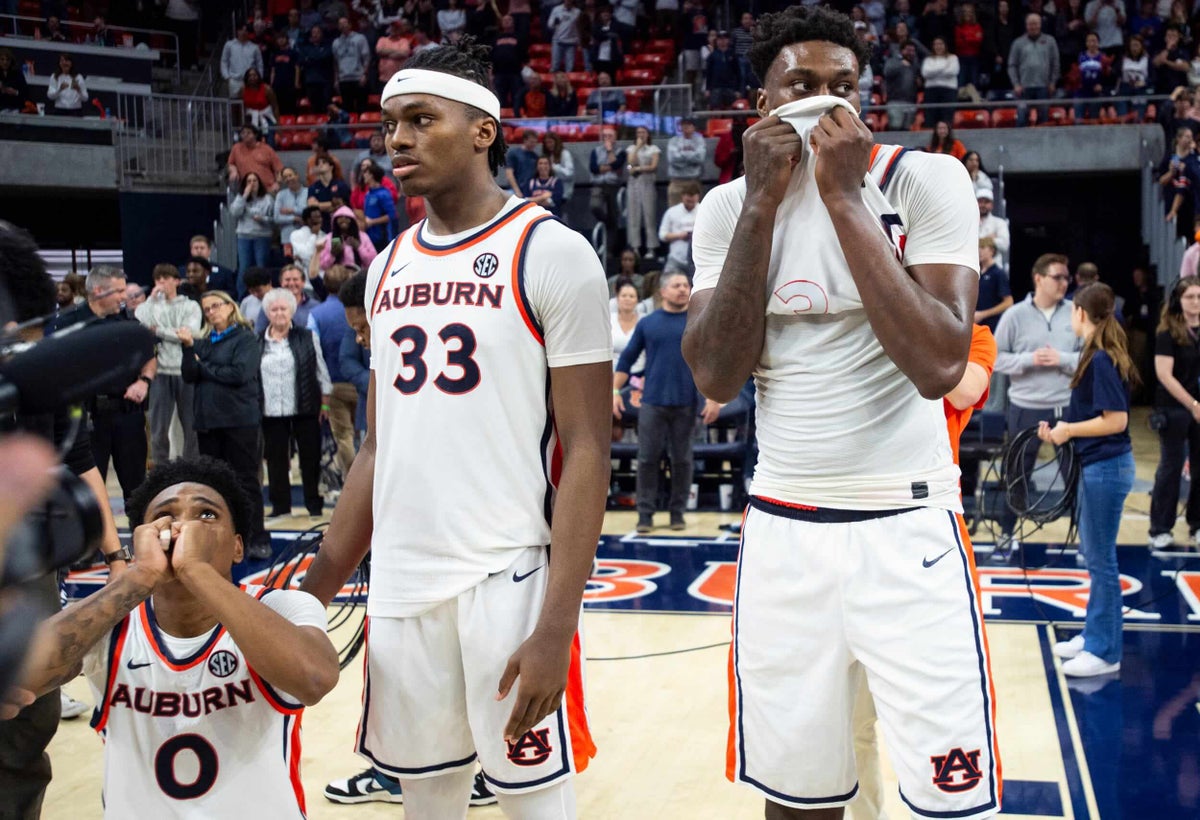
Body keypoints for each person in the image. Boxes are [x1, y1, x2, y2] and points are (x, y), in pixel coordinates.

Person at [682, 6, 999, 818]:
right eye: (802, 85)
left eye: (844, 87)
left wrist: (847, 200)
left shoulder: (924, 180)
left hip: (907, 525)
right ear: (761, 105)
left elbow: (939, 362)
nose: (825, 103)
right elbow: (716, 369)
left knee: (953, 800)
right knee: (798, 797)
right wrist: (760, 207)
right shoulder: (725, 210)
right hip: (785, 527)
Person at [299, 38, 610, 817]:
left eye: (419, 119)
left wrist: (556, 626)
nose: (396, 140)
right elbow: (379, 444)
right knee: (424, 804)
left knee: (533, 802)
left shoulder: (552, 251)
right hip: (403, 582)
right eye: (390, 124)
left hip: (505, 575)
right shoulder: (387, 263)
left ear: (482, 130)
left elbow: (591, 450)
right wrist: (312, 597)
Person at [16, 456, 339, 815]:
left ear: (237, 547)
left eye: (206, 515)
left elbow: (314, 679)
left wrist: (196, 571)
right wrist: (139, 576)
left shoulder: (282, 607)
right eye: (164, 516)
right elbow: (18, 676)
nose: (182, 527)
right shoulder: (114, 619)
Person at [849, 320, 997, 820]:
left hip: (924, 533)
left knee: (934, 720)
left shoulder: (975, 334)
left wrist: (891, 330)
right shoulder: (852, 317)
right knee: (850, 725)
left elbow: (967, 387)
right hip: (844, 523)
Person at [1040, 283, 1136, 677]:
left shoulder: (1101, 358)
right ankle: (1094, 633)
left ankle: (1105, 650)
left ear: (1081, 312)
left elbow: (1117, 420)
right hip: (1098, 467)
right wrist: (1063, 429)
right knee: (1097, 559)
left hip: (1107, 468)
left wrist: (1069, 431)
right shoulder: (1095, 354)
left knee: (1102, 561)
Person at [615, 271, 717, 532]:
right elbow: (626, 360)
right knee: (647, 459)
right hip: (652, 403)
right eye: (677, 285)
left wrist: (714, 397)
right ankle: (645, 515)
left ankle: (677, 514)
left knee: (682, 461)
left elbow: (712, 361)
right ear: (663, 291)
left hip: (686, 403)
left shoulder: (698, 322)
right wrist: (614, 392)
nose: (683, 289)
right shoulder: (649, 324)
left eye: (686, 284)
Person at [993, 253, 1080, 555]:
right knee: (1018, 472)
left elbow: (1092, 355)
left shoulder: (1075, 312)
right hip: (1024, 406)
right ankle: (1006, 533)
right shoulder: (1014, 315)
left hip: (1065, 407)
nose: (1064, 283)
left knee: (1073, 473)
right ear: (1038, 278)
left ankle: (1080, 537)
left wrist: (1064, 359)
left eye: (1067, 278)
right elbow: (994, 357)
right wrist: (1028, 360)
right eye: (1058, 277)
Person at [54, 266, 157, 511]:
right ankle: (93, 549)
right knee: (87, 493)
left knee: (137, 490)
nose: (125, 297)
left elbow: (150, 356)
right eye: (119, 291)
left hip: (128, 415)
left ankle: (141, 546)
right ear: (99, 291)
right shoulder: (67, 323)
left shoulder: (128, 322)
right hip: (86, 420)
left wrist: (145, 381)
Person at [178, 290, 271, 560]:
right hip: (208, 421)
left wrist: (204, 366)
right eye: (206, 309)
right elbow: (189, 373)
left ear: (231, 308)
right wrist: (187, 349)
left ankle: (256, 537)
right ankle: (219, 537)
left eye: (215, 306)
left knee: (245, 481)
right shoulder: (204, 341)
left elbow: (239, 373)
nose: (210, 312)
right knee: (212, 484)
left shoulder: (245, 338)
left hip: (239, 421)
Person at [259, 289, 332, 519]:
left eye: (283, 308)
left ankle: (314, 505)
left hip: (305, 406)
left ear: (292, 310)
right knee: (276, 461)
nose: (279, 313)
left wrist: (326, 403)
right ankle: (280, 507)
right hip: (270, 411)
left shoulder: (308, 337)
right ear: (267, 312)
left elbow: (321, 370)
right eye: (274, 309)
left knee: (310, 459)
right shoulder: (258, 340)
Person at [1148, 276, 1200, 550]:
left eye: (1199, 297)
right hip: (1175, 407)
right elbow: (1164, 375)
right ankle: (1160, 528)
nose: (1195, 302)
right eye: (1190, 296)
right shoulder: (1167, 332)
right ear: (1179, 300)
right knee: (1171, 467)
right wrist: (1193, 405)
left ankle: (1197, 524)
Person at [136, 263, 203, 466]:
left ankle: (192, 468)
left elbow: (187, 333)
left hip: (185, 369)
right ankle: (161, 470)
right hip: (160, 371)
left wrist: (159, 331)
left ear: (176, 280)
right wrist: (150, 300)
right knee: (158, 427)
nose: (161, 283)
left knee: (191, 426)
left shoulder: (190, 305)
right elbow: (141, 320)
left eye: (166, 278)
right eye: (158, 279)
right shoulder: (152, 305)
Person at [306, 264, 358, 478]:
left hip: (333, 384)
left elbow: (314, 353)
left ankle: (352, 480)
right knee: (366, 436)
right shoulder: (361, 309)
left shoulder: (316, 314)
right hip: (363, 381)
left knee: (344, 436)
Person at [1008, 13, 1059, 125]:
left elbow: (1055, 64)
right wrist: (1016, 84)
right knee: (1021, 118)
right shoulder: (1018, 43)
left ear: (1040, 25)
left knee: (1044, 119)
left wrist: (1052, 82)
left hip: (1044, 87)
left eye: (1035, 24)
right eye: (1030, 24)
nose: (1033, 27)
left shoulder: (1050, 41)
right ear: (1026, 26)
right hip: (1024, 88)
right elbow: (1012, 65)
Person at [230, 172, 276, 289]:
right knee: (244, 267)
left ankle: (264, 292)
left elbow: (274, 219)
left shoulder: (268, 199)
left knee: (261, 267)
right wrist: (244, 196)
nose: (252, 184)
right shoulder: (241, 198)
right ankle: (241, 297)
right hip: (244, 236)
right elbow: (234, 212)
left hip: (262, 235)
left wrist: (263, 219)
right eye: (249, 181)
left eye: (254, 181)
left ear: (259, 183)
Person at [590, 127, 627, 266]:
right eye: (605, 136)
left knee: (614, 218)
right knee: (595, 206)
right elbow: (593, 168)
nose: (607, 139)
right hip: (598, 185)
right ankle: (606, 221)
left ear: (615, 136)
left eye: (610, 136)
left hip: (613, 186)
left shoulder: (620, 151)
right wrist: (610, 166)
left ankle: (610, 250)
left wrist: (610, 150)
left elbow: (617, 166)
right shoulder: (596, 151)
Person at [625, 126, 661, 259]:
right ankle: (635, 248)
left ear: (648, 134)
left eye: (643, 132)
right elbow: (630, 163)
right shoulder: (631, 148)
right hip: (633, 185)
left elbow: (653, 166)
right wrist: (637, 147)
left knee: (649, 216)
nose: (641, 135)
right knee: (634, 216)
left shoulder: (654, 149)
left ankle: (651, 248)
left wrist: (638, 168)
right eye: (638, 132)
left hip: (648, 184)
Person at [316, 205, 378, 276]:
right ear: (335, 220)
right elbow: (322, 266)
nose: (343, 219)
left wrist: (359, 247)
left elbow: (374, 261)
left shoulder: (363, 236)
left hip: (359, 277)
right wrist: (332, 254)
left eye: (347, 217)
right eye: (340, 217)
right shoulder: (328, 238)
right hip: (337, 279)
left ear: (352, 220)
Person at [257, 264, 319, 332]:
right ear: (281, 282)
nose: (291, 283)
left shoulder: (316, 306)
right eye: (287, 280)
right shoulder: (270, 305)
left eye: (295, 279)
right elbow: (259, 332)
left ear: (303, 282)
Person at [227, 123, 284, 196]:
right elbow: (231, 164)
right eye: (243, 133)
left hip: (268, 190)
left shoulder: (266, 149)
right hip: (247, 191)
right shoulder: (236, 148)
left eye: (248, 133)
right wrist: (233, 170)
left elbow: (279, 169)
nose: (245, 135)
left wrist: (277, 184)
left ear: (255, 135)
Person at [658, 180, 700, 274]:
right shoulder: (672, 212)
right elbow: (662, 235)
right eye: (688, 200)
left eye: (692, 201)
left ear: (698, 197)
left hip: (697, 261)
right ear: (682, 196)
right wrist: (678, 235)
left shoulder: (703, 210)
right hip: (675, 259)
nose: (690, 203)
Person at [332, 15, 371, 112]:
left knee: (361, 107)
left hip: (358, 77)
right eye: (340, 24)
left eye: (345, 23)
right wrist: (336, 79)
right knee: (347, 107)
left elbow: (366, 58)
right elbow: (336, 62)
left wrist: (365, 75)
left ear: (350, 25)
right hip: (344, 79)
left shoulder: (360, 38)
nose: (343, 26)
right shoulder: (336, 42)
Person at [666, 117, 706, 207]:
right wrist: (691, 157)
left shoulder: (699, 140)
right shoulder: (673, 141)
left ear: (694, 127)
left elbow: (700, 158)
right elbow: (672, 159)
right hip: (676, 182)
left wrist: (681, 155)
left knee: (695, 214)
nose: (686, 127)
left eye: (689, 125)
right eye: (683, 125)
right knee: (674, 212)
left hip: (693, 181)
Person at [921, 35, 960, 125]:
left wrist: (934, 71)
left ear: (945, 45)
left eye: (940, 44)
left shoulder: (953, 58)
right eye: (936, 44)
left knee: (947, 118)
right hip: (931, 91)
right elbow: (925, 73)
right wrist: (943, 68)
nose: (938, 46)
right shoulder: (928, 59)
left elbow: (952, 72)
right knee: (930, 117)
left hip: (948, 90)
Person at [976, 238, 1012, 332]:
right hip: (976, 327)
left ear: (992, 250)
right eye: (978, 248)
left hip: (992, 327)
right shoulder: (977, 273)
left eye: (983, 247)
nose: (979, 251)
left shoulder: (998, 273)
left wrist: (983, 314)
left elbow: (1008, 302)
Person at [308, 153, 352, 231]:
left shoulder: (340, 185)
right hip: (321, 227)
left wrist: (318, 204)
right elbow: (311, 206)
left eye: (324, 162)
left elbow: (342, 205)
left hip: (338, 227)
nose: (320, 165)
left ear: (331, 167)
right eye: (318, 163)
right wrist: (331, 205)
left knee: (336, 243)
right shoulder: (313, 187)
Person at [360, 163, 400, 249]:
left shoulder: (384, 194)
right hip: (370, 236)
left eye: (366, 173)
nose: (363, 176)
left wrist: (372, 222)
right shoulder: (368, 194)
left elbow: (392, 215)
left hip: (382, 236)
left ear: (371, 175)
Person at [883, 40, 919, 130]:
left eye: (912, 51)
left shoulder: (915, 65)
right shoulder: (893, 61)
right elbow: (886, 72)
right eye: (908, 50)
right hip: (895, 101)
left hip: (911, 102)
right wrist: (901, 65)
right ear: (902, 51)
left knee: (907, 130)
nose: (910, 53)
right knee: (895, 128)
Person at [298, 24, 336, 111]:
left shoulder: (328, 46)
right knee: (314, 106)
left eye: (317, 32)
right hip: (311, 81)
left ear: (322, 34)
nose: (315, 34)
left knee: (327, 105)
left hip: (325, 81)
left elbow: (326, 57)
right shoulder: (305, 48)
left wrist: (312, 57)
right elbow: (302, 62)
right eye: (313, 32)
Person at [222, 24, 264, 98]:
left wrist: (259, 78)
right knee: (235, 105)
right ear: (238, 31)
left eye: (246, 30)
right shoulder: (229, 45)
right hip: (234, 80)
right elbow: (224, 61)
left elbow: (260, 64)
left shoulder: (254, 47)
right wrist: (227, 77)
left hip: (251, 80)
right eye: (242, 30)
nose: (243, 32)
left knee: (251, 104)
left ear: (248, 33)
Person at [275, 166, 310, 251]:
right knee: (289, 263)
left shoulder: (308, 192)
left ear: (297, 175)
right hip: (287, 238)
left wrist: (292, 210)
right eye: (285, 177)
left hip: (307, 237)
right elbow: (277, 218)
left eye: (290, 175)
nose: (288, 179)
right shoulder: (281, 195)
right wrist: (294, 218)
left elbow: (309, 211)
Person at [268, 28, 302, 116]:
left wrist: (296, 83)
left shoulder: (293, 53)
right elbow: (273, 70)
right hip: (278, 85)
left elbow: (297, 68)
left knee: (291, 108)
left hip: (290, 84)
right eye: (278, 38)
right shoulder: (274, 54)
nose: (281, 40)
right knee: (279, 108)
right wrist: (271, 84)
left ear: (287, 39)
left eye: (282, 38)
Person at [541, 132, 575, 213]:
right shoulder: (546, 155)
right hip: (547, 191)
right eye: (546, 143)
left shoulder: (565, 154)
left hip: (563, 192)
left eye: (551, 142)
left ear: (556, 142)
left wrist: (555, 167)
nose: (549, 145)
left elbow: (569, 174)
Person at [977, 189, 1010, 271]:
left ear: (991, 205)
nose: (983, 205)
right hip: (975, 267)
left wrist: (980, 240)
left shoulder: (999, 223)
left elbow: (1005, 244)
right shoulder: (970, 222)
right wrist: (990, 239)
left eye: (986, 202)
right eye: (980, 202)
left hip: (994, 268)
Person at [242, 67, 280, 134]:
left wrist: (278, 124)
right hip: (250, 119)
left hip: (266, 116)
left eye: (254, 75)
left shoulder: (267, 89)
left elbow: (275, 107)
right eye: (250, 76)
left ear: (259, 76)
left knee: (270, 138)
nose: (252, 78)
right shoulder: (242, 90)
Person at [291, 205, 328, 273]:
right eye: (316, 217)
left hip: (321, 273)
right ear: (308, 220)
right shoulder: (296, 234)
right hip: (302, 274)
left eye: (320, 217)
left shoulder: (324, 235)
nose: (320, 220)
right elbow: (306, 255)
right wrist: (314, 235)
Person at [547, 0, 582, 72]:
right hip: (558, 41)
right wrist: (554, 22)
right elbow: (550, 25)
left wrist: (579, 42)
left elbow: (580, 28)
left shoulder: (578, 12)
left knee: (570, 68)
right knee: (555, 66)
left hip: (571, 42)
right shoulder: (556, 9)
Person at [505, 129, 541, 195]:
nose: (534, 144)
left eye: (535, 142)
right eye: (531, 142)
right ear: (525, 140)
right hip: (515, 190)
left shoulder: (535, 157)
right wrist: (517, 190)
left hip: (530, 191)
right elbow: (509, 174)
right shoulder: (513, 153)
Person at [0, 47, 31, 113]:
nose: (5, 62)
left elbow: (26, 94)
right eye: (2, 59)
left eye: (7, 60)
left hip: (15, 107)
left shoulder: (17, 74)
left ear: (11, 61)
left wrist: (16, 92)